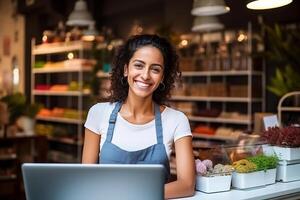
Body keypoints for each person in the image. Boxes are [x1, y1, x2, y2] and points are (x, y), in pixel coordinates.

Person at [82, 34, 195, 199]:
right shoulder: (98, 113)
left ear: (162, 77)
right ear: (126, 69)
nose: (146, 75)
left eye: (155, 69)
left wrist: (133, 195)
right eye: (139, 65)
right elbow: (87, 178)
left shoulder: (176, 120)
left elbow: (187, 185)